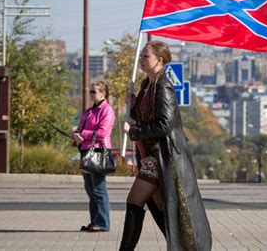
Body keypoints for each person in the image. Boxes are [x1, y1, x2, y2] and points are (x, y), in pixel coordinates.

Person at [120, 41, 212, 250]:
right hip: (150, 156)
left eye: (146, 56)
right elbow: (144, 118)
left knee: (135, 200)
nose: (141, 60)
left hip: (162, 157)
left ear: (159, 60)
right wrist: (133, 106)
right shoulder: (147, 85)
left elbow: (165, 124)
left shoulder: (164, 86)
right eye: (141, 56)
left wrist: (134, 131)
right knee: (165, 211)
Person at [71, 81, 115, 233]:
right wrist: (75, 135)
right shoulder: (88, 112)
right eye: (90, 91)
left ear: (103, 94)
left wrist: (83, 135)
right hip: (86, 152)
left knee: (98, 189)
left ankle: (102, 223)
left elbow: (102, 133)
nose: (91, 94)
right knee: (90, 188)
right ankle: (95, 221)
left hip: (98, 152)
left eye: (94, 92)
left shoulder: (107, 111)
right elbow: (80, 128)